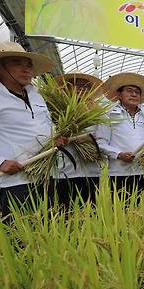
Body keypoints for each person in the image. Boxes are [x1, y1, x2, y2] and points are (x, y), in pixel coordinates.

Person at [0, 41, 64, 219]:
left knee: (53, 233)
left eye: (29, 65)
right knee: (23, 240)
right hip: (17, 182)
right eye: (17, 63)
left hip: (47, 176)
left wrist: (54, 139)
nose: (26, 70)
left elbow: (46, 127)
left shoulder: (36, 96)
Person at [96, 72, 144, 195]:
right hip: (120, 174)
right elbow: (100, 142)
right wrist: (118, 154)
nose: (134, 94)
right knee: (121, 211)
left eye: (137, 92)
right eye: (129, 91)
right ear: (119, 94)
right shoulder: (109, 114)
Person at [52, 72, 105, 208]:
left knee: (91, 211)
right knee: (64, 211)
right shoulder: (56, 109)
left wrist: (77, 138)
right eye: (77, 85)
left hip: (91, 169)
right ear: (66, 87)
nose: (82, 88)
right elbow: (47, 133)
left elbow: (102, 136)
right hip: (65, 169)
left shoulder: (96, 111)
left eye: (87, 87)